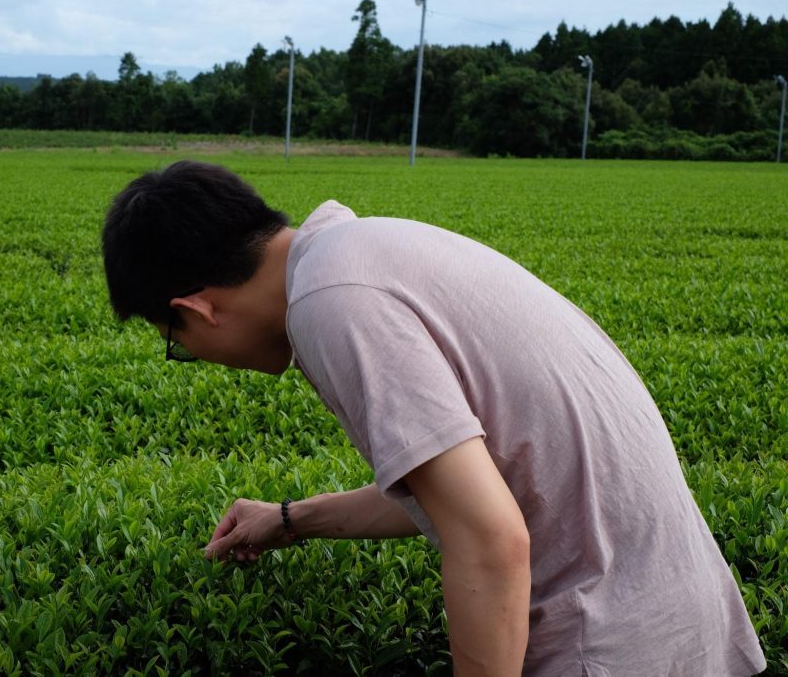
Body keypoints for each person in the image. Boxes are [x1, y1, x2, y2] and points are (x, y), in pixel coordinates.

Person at [100, 160, 766, 675]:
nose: (190, 353)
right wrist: (288, 518)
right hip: (683, 625)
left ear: (197, 309)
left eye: (173, 339)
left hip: (610, 645)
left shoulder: (333, 302)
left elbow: (489, 539)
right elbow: (471, 492)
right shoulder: (360, 252)